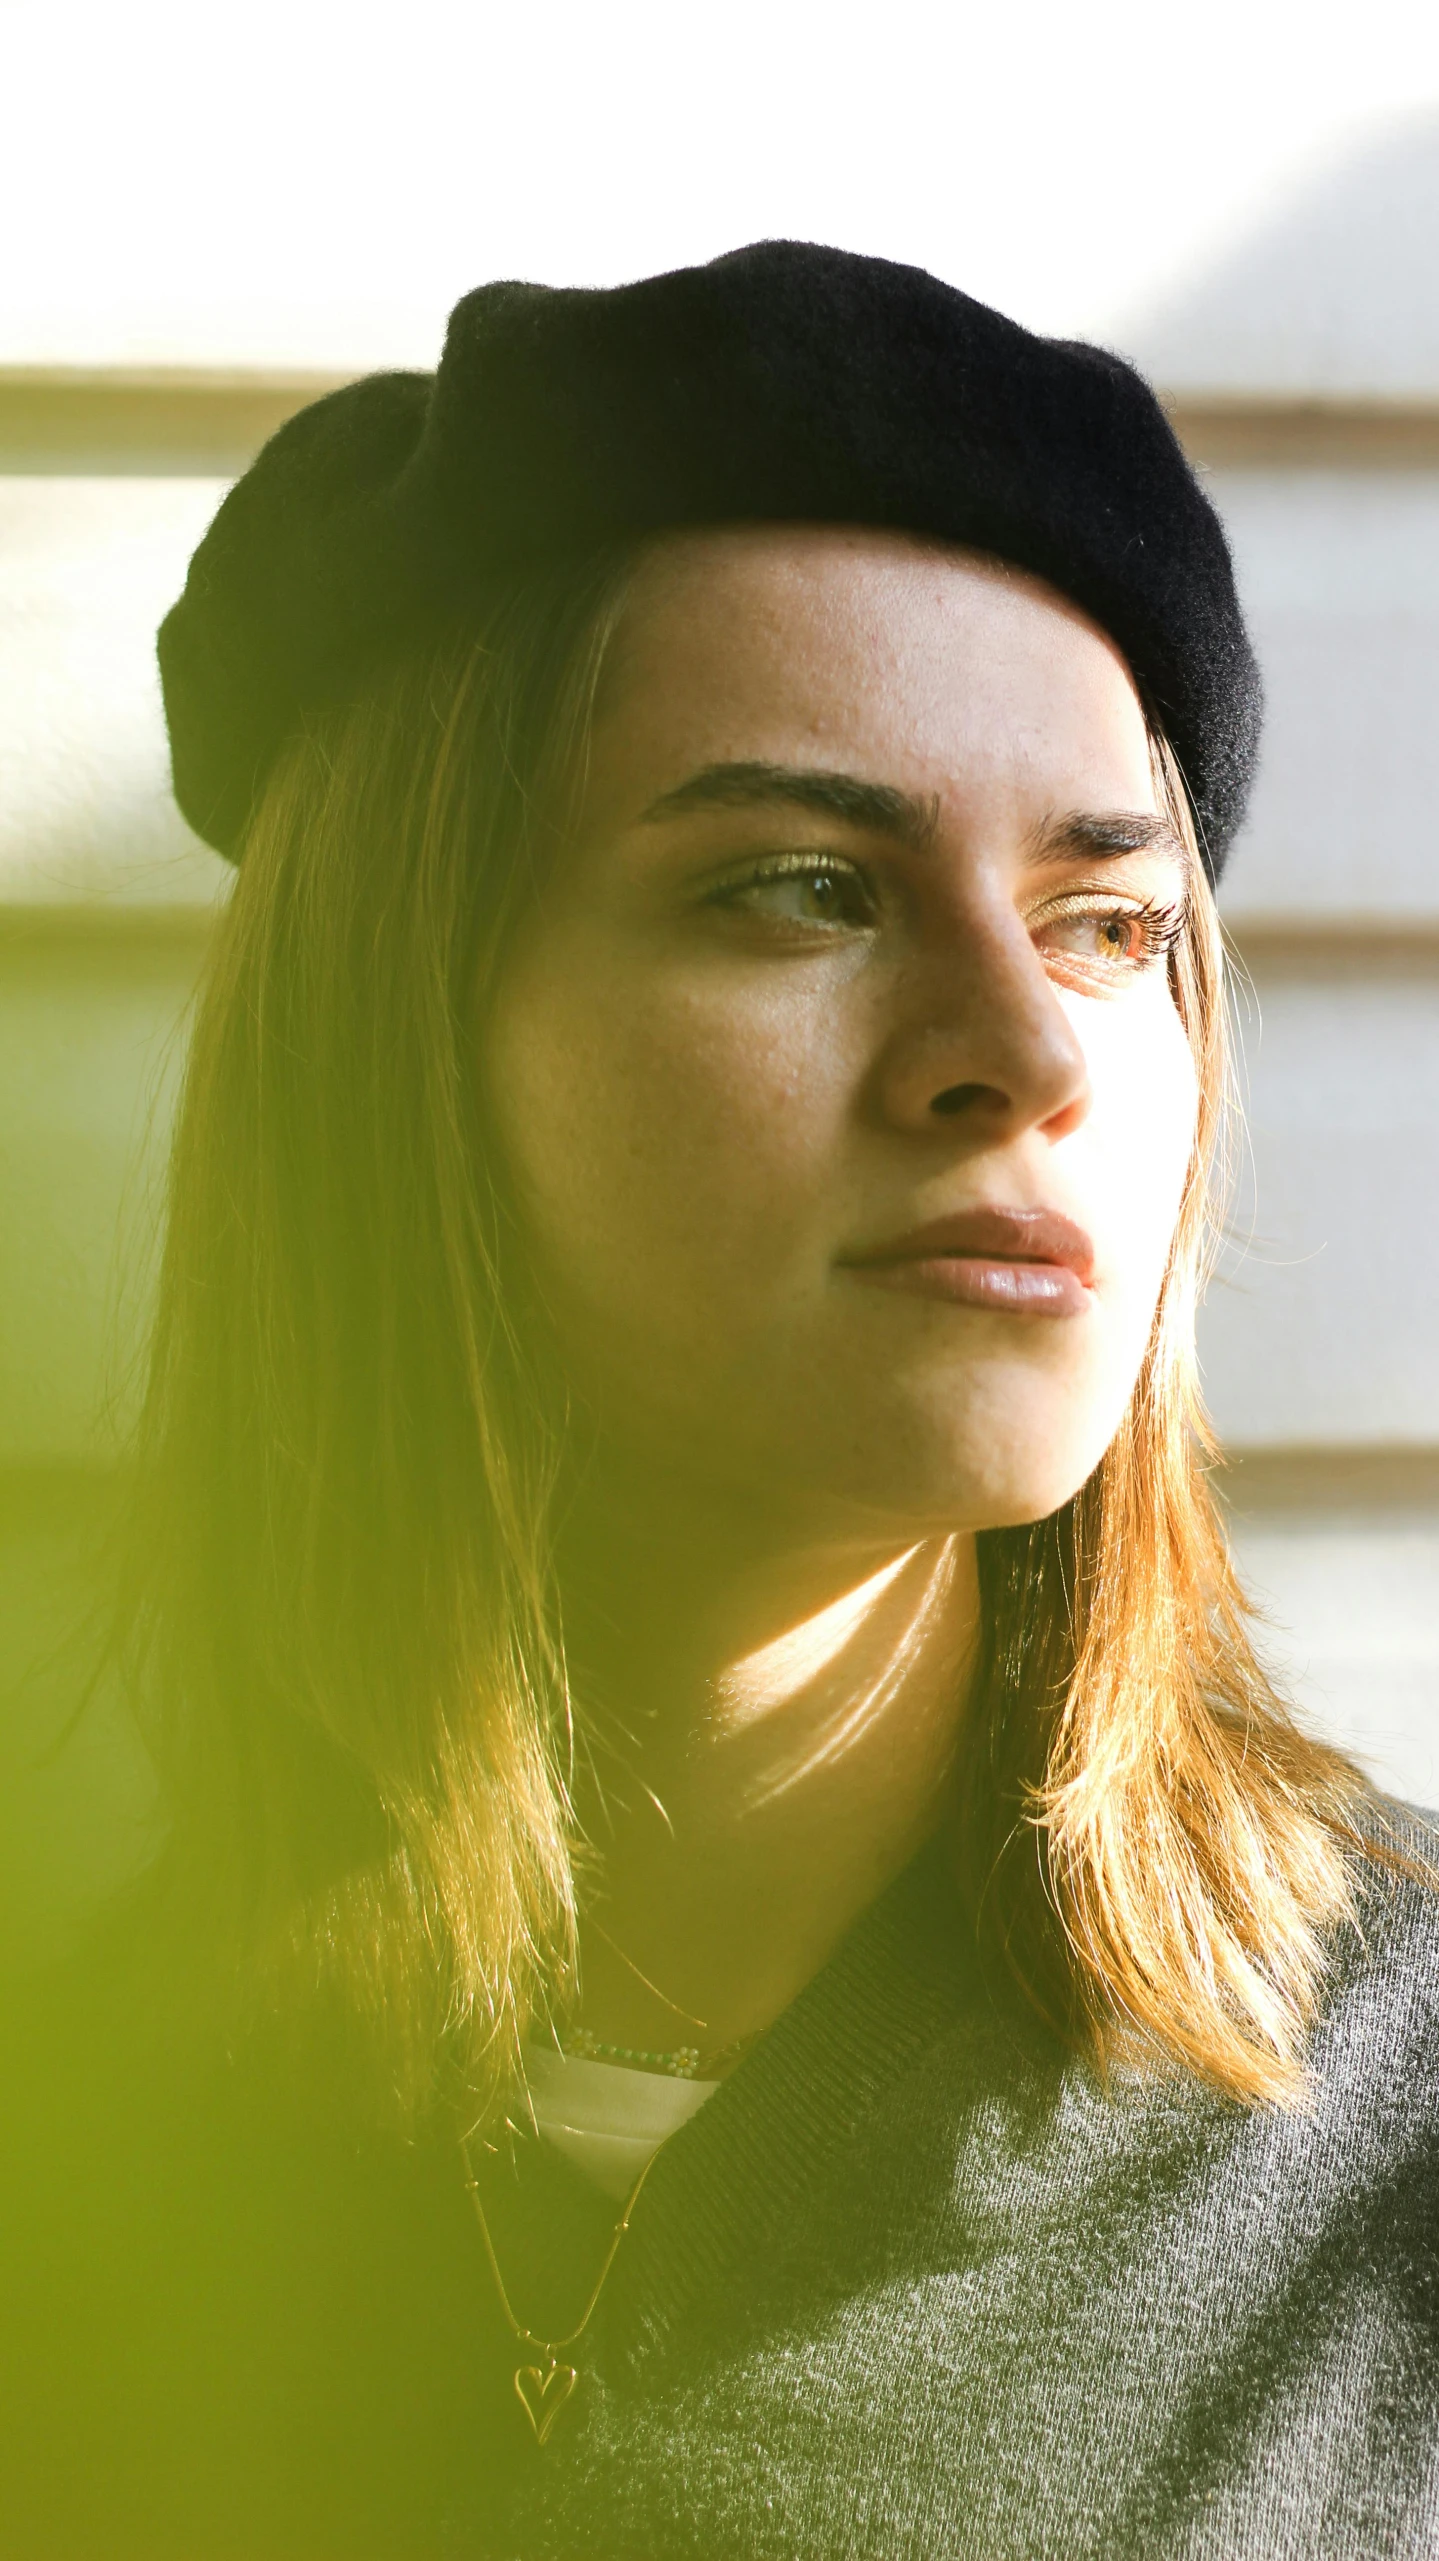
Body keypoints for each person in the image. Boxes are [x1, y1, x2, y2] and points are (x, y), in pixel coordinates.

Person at [3, 241, 1437, 2560]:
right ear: (400, 1050)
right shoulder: (80, 2159)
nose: (1029, 1045)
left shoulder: (1388, 2168)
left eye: (1107, 920)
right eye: (799, 886)